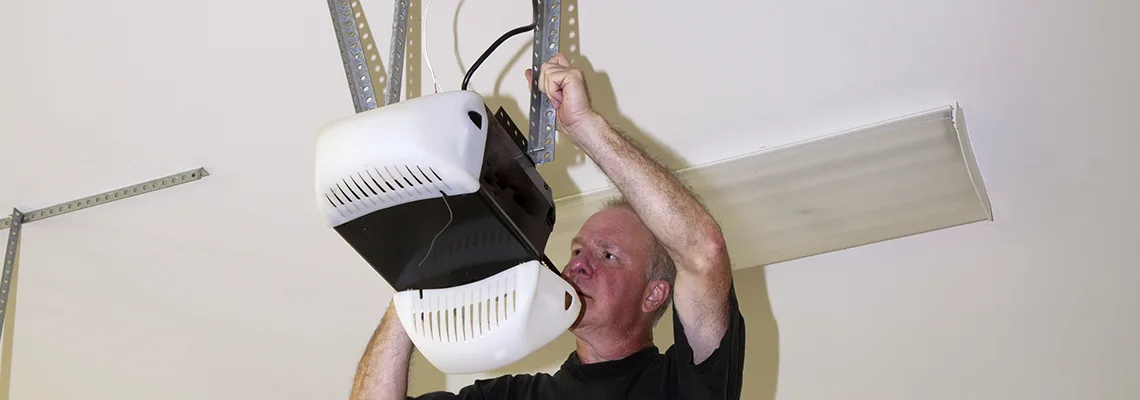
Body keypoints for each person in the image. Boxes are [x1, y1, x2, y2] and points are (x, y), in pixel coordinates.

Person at [348, 53, 746, 400]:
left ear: (654, 294)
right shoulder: (511, 395)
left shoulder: (683, 384)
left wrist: (583, 126)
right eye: (577, 251)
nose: (576, 267)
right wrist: (419, 273)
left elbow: (703, 252)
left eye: (608, 255)